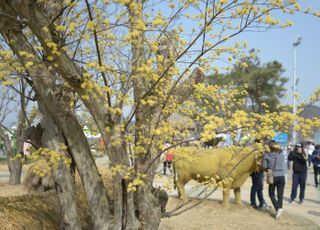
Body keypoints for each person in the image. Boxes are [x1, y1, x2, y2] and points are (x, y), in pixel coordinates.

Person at [263, 140, 286, 220]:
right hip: (282, 176)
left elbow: (264, 166)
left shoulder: (266, 155)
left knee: (271, 193)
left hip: (273, 176)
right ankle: (278, 212)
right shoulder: (281, 154)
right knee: (280, 195)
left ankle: (278, 209)